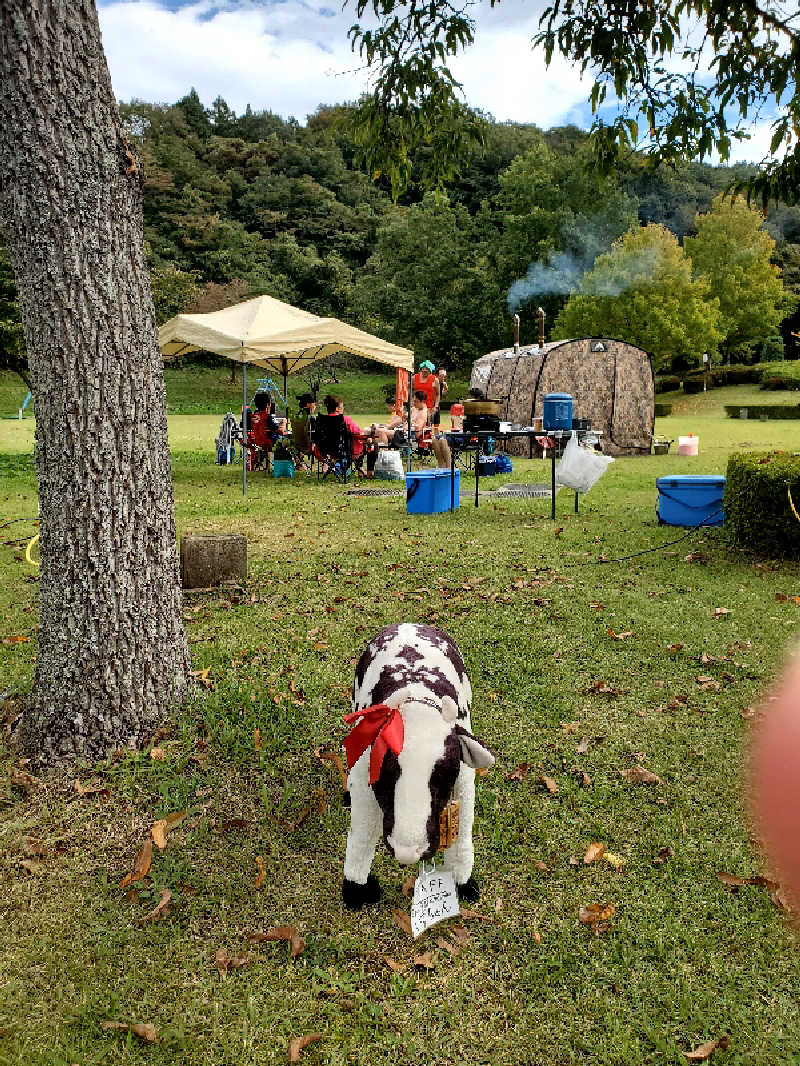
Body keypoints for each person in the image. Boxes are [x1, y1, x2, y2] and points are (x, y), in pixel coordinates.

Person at [320, 394, 378, 477]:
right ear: (337, 409)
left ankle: (360, 469)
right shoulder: (345, 420)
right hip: (347, 452)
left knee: (357, 442)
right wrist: (368, 438)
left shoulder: (322, 421)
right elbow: (358, 433)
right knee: (373, 444)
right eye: (342, 407)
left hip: (328, 451)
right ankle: (368, 472)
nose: (343, 409)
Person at [413, 360, 440, 429]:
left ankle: (427, 438)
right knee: (415, 424)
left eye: (427, 370)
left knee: (427, 426)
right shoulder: (414, 378)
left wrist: (436, 406)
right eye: (423, 370)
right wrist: (411, 402)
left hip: (429, 407)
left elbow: (438, 394)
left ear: (430, 371)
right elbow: (408, 389)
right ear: (420, 370)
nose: (424, 372)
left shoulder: (435, 380)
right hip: (416, 406)